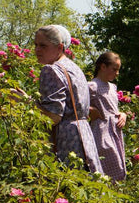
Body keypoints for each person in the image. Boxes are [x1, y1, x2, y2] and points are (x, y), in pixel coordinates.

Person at [33, 25, 103, 174]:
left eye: (43, 46)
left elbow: (53, 117)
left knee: (65, 190)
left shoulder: (51, 70)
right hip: (83, 136)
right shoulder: (74, 68)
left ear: (59, 47)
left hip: (65, 141)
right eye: (36, 45)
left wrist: (24, 102)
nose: (37, 50)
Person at [88, 52, 127, 182]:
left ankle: (116, 196)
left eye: (118, 70)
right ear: (103, 67)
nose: (117, 73)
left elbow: (113, 108)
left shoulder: (112, 87)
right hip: (101, 131)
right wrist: (89, 110)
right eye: (114, 69)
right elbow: (76, 105)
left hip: (115, 131)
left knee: (119, 165)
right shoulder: (91, 86)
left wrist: (123, 114)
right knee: (107, 165)